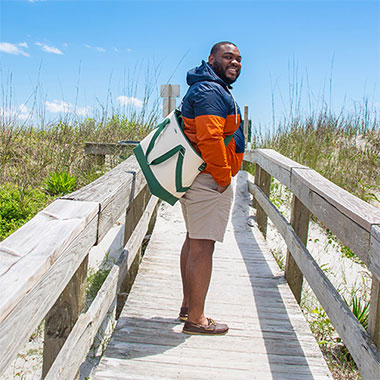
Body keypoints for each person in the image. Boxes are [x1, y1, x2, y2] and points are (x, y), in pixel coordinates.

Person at [179, 41, 245, 335]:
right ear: (211, 58)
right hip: (209, 180)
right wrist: (222, 177)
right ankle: (197, 319)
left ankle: (188, 307)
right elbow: (209, 138)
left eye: (239, 59)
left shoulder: (211, 87)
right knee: (202, 248)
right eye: (228, 56)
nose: (235, 62)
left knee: (195, 241)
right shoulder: (209, 90)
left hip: (201, 177)